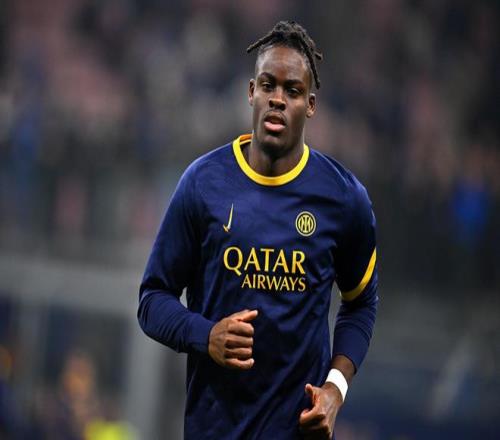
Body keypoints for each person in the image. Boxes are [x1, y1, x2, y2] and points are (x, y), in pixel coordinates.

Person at [138, 20, 378, 440]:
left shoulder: (343, 198)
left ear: (311, 105)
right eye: (268, 85)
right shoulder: (203, 183)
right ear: (251, 92)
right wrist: (206, 335)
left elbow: (360, 304)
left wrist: (335, 390)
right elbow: (152, 300)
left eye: (293, 91)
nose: (278, 100)